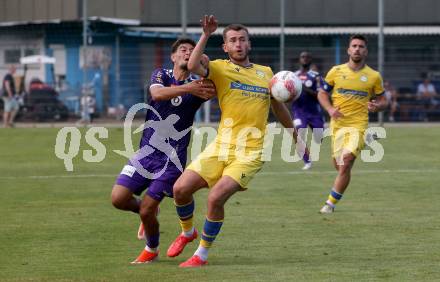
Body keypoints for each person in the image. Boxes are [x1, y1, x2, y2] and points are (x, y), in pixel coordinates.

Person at [167, 15, 304, 267]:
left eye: (243, 40)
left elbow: (279, 108)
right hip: (221, 146)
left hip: (250, 152)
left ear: (249, 44)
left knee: (215, 198)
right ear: (226, 47)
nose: (239, 44)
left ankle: (201, 255)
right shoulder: (219, 68)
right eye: (233, 40)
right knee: (180, 190)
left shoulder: (267, 74)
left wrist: (295, 136)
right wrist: (206, 34)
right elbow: (194, 64)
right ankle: (187, 232)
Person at [111, 38, 216, 264]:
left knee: (147, 208)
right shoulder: (161, 74)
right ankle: (147, 213)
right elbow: (157, 95)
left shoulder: (200, 84)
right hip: (145, 154)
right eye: (183, 50)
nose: (188, 53)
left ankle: (152, 248)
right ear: (173, 56)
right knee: (118, 199)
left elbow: (214, 84)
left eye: (192, 51)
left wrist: (205, 56)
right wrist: (189, 87)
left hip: (171, 161)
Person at [317, 34, 388, 214]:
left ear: (366, 51)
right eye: (354, 46)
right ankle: (363, 143)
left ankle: (330, 204)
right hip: (338, 125)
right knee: (339, 166)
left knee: (347, 162)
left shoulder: (373, 76)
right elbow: (322, 94)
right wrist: (330, 109)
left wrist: (377, 106)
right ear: (348, 50)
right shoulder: (335, 71)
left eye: (361, 46)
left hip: (358, 124)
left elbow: (383, 101)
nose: (357, 49)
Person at [291, 51, 324, 170]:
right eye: (302, 57)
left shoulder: (316, 76)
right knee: (299, 135)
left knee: (318, 137)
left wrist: (305, 89)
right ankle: (307, 161)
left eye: (307, 57)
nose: (304, 59)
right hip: (299, 112)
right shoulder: (293, 76)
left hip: (314, 112)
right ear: (299, 60)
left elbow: (321, 95)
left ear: (310, 60)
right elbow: (290, 93)